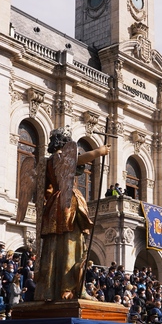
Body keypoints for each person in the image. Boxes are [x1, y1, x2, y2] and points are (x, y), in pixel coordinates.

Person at [36, 129, 109, 301]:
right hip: (68, 204)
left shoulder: (46, 162)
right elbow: (80, 159)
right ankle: (70, 288)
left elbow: (45, 190)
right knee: (74, 246)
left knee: (54, 248)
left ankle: (49, 289)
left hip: (54, 206)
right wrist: (100, 151)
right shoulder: (62, 158)